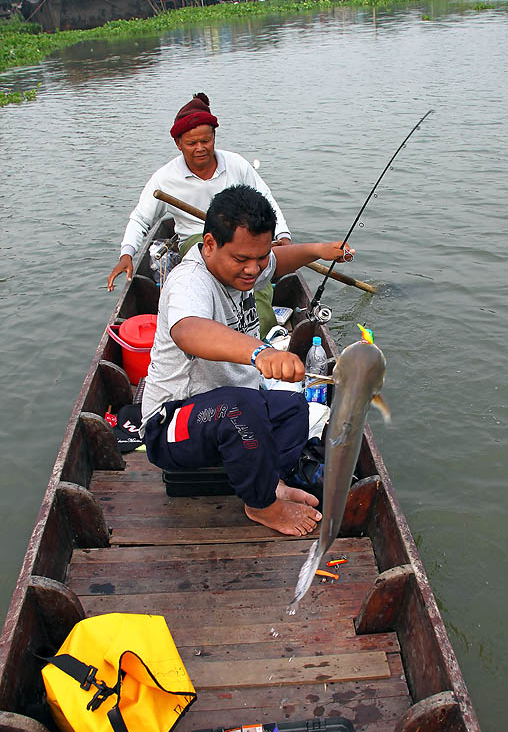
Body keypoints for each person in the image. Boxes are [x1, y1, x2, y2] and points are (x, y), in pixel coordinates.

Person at [142, 184, 354, 538]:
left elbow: (279, 261)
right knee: (241, 408)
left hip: (231, 414)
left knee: (292, 407)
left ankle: (270, 482)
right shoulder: (190, 281)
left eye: (260, 258)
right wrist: (260, 352)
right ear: (209, 244)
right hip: (172, 424)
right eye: (242, 260)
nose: (253, 270)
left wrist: (320, 251)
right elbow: (188, 330)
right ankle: (262, 505)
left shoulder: (247, 262)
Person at [107, 92, 292, 336]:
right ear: (178, 143)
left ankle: (263, 335)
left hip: (244, 241)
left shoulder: (236, 164)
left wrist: (283, 235)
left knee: (257, 281)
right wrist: (127, 253)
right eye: (192, 143)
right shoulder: (165, 178)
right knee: (223, 278)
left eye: (206, 141)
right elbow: (141, 218)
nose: (200, 148)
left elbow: (266, 201)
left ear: (214, 137)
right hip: (198, 242)